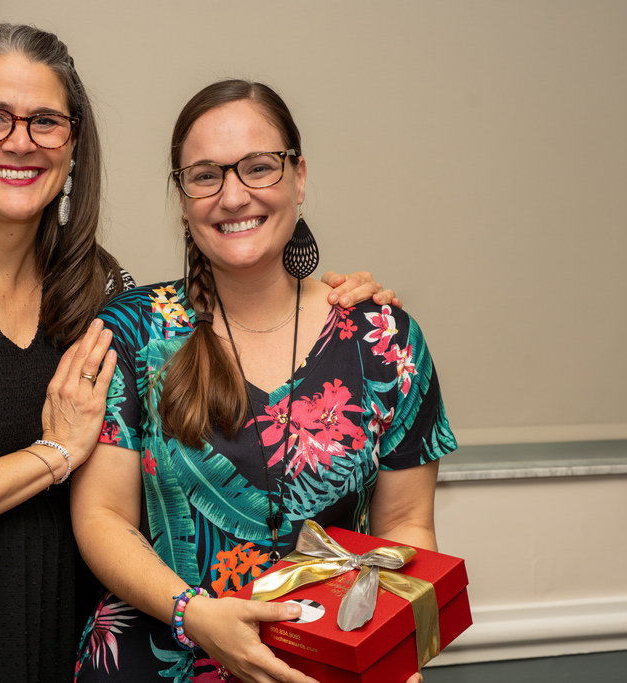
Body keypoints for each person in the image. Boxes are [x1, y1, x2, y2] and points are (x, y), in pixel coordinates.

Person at [0, 25, 398, 683]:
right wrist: (51, 454)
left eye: (45, 121)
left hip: (38, 643)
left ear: (74, 141)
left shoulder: (100, 288)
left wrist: (337, 309)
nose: (20, 141)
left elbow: (191, 385)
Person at [71, 80, 456, 683]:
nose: (233, 195)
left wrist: (394, 650)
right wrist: (193, 615)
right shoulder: (133, 333)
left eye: (258, 168)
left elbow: (405, 526)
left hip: (325, 667)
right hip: (156, 661)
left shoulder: (384, 338)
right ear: (182, 195)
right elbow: (101, 516)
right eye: (205, 176)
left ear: (299, 177)